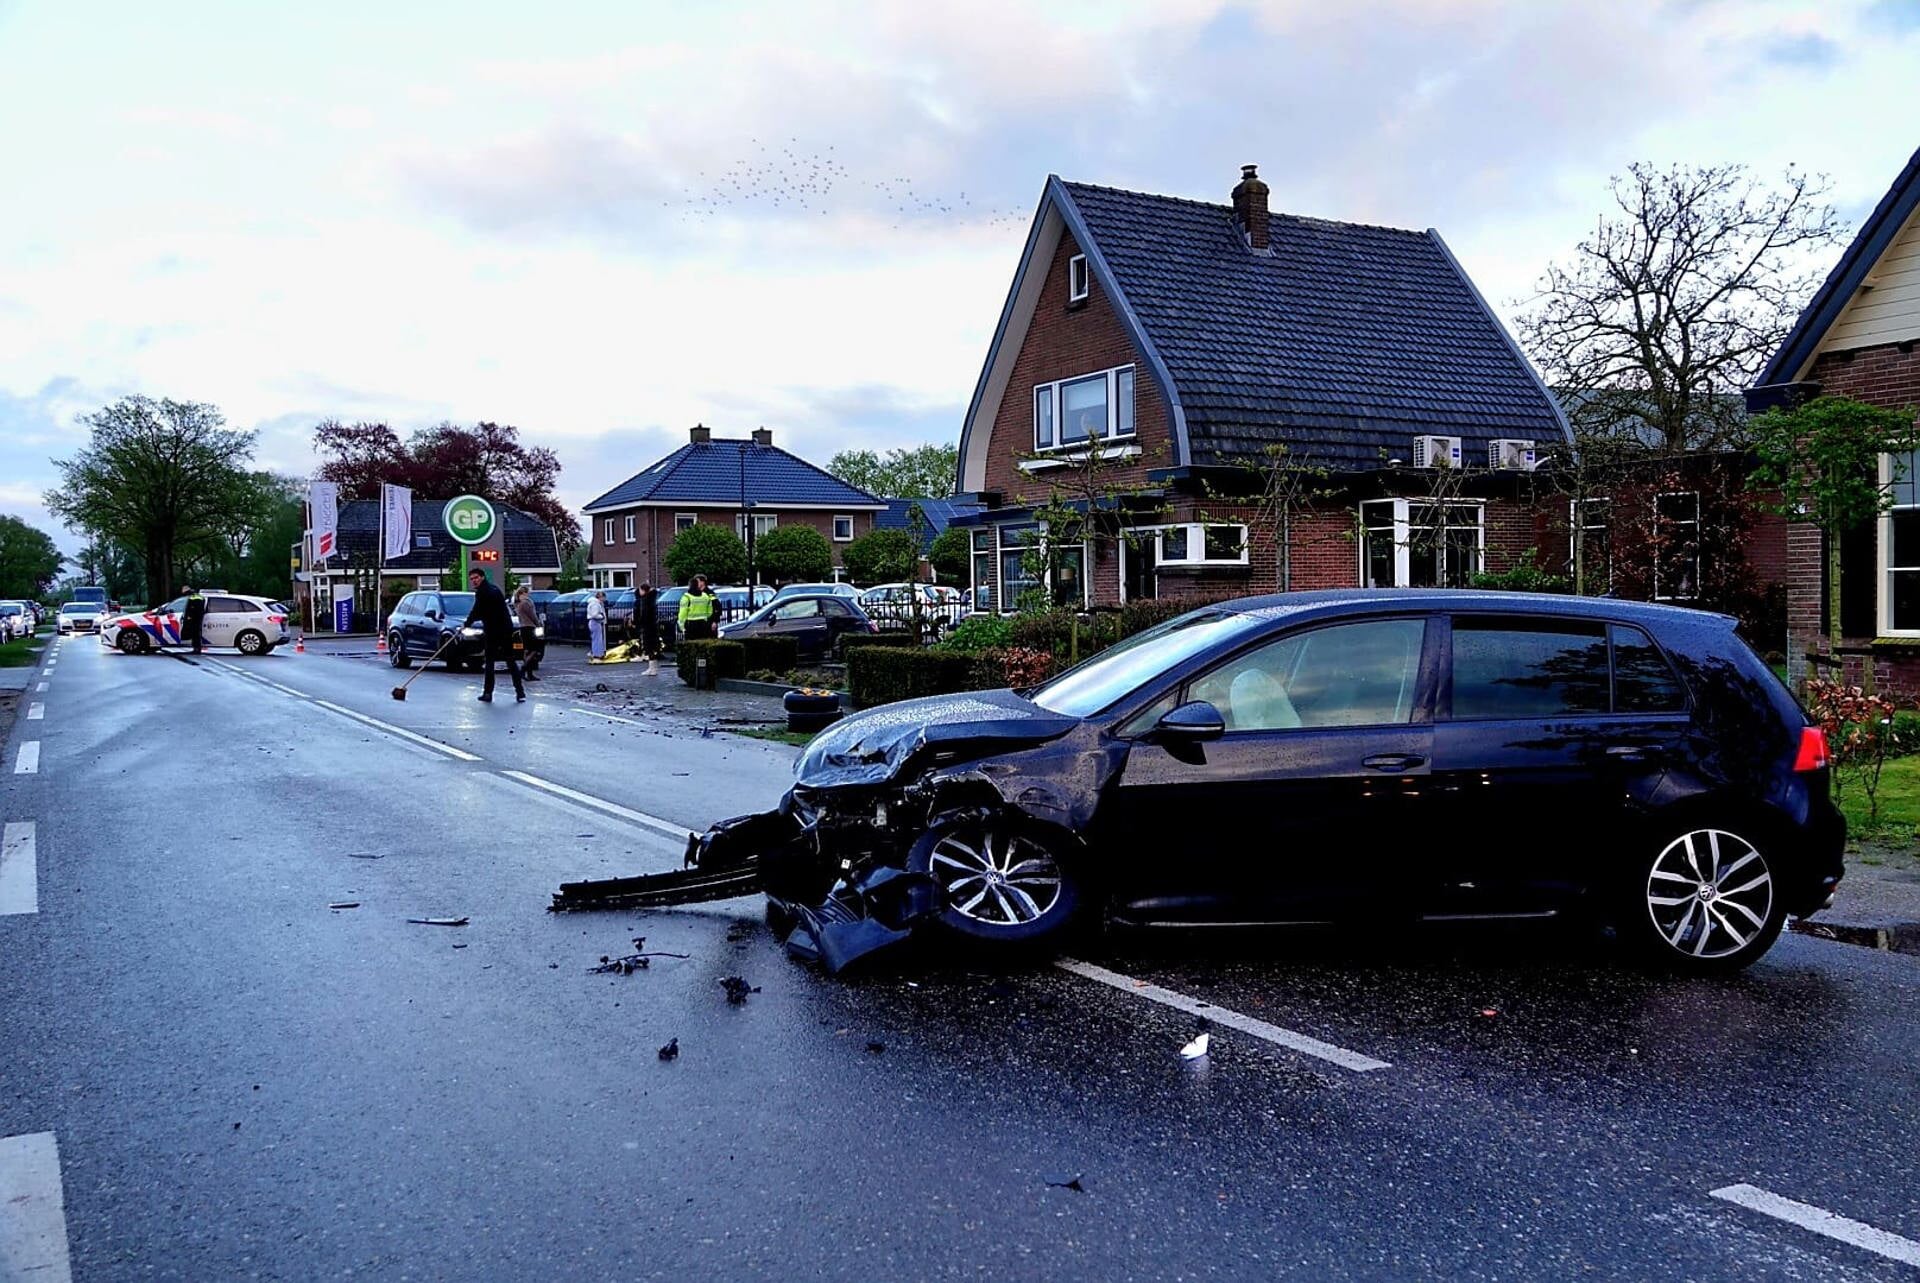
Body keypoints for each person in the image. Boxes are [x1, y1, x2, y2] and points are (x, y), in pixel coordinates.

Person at [463, 569, 524, 703]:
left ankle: (488, 693)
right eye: (472, 578)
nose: (474, 581)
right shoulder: (494, 589)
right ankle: (520, 692)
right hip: (506, 629)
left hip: (493, 630)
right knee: (510, 660)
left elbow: (477, 611)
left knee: (490, 662)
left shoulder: (483, 592)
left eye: (476, 578)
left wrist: (467, 623)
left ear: (482, 577)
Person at [511, 585, 542, 681]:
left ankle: (529, 674)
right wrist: (539, 624)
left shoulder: (517, 603)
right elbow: (532, 615)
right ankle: (523, 669)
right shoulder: (526, 603)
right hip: (529, 627)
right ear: (523, 593)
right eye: (527, 592)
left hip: (522, 628)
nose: (529, 594)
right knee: (535, 649)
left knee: (526, 650)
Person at [678, 574, 718, 642]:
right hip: (703, 624)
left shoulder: (686, 597)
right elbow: (710, 611)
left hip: (691, 624)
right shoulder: (705, 596)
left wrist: (682, 626)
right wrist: (707, 619)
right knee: (702, 644)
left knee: (691, 645)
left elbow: (682, 613)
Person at [636, 582, 661, 676]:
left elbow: (644, 614)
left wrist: (640, 622)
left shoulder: (645, 600)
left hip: (648, 627)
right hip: (652, 626)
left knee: (649, 647)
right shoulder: (651, 599)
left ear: (643, 590)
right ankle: (652, 668)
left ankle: (652, 668)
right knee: (651, 648)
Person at [182, 587, 207, 654]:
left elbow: (193, 609)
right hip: (197, 618)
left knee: (195, 634)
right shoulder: (198, 596)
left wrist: (190, 616)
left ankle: (197, 649)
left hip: (195, 619)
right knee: (195, 633)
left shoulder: (194, 598)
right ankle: (196, 648)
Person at [586, 590, 608, 660]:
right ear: (601, 597)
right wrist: (602, 616)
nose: (604, 599)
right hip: (595, 622)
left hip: (594, 622)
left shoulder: (595, 603)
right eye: (604, 597)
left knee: (596, 638)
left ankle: (596, 653)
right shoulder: (595, 604)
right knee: (597, 639)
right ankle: (597, 655)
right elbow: (594, 614)